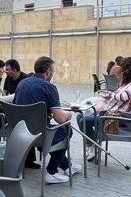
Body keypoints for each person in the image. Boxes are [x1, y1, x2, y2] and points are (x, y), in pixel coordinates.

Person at [13, 56, 80, 185]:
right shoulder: (49, 87)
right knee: (66, 130)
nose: (52, 73)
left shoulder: (22, 83)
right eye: (52, 70)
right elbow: (60, 119)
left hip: (21, 134)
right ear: (48, 71)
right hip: (42, 136)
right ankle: (52, 171)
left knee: (55, 130)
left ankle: (67, 166)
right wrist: (68, 115)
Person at [79, 56, 131, 161]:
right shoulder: (129, 82)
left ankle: (92, 146)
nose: (122, 71)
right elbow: (119, 94)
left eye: (123, 69)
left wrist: (111, 95)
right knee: (80, 116)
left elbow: (123, 96)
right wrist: (110, 94)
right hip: (111, 113)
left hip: (117, 118)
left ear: (129, 69)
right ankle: (92, 145)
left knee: (84, 120)